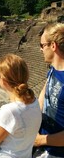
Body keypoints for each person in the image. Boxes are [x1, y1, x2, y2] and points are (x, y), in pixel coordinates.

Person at [33, 23, 64, 158]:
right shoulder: (52, 70)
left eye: (42, 45)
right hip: (44, 150)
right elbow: (42, 98)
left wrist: (41, 140)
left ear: (53, 46)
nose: (41, 49)